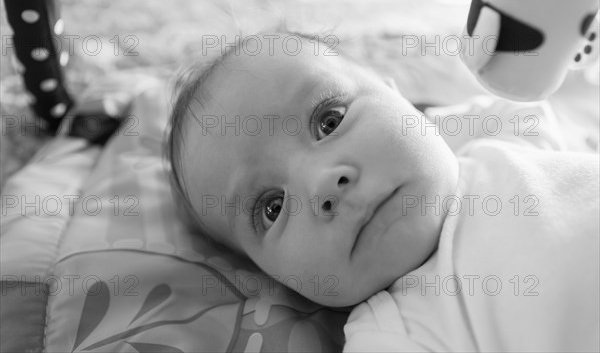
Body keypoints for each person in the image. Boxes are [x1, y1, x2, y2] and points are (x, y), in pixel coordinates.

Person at [167, 32, 599, 351]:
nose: (321, 183)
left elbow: (519, 106)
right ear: (272, 275)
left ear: (397, 95)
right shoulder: (395, 331)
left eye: (330, 120)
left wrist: (422, 127)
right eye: (273, 208)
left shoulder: (497, 148)